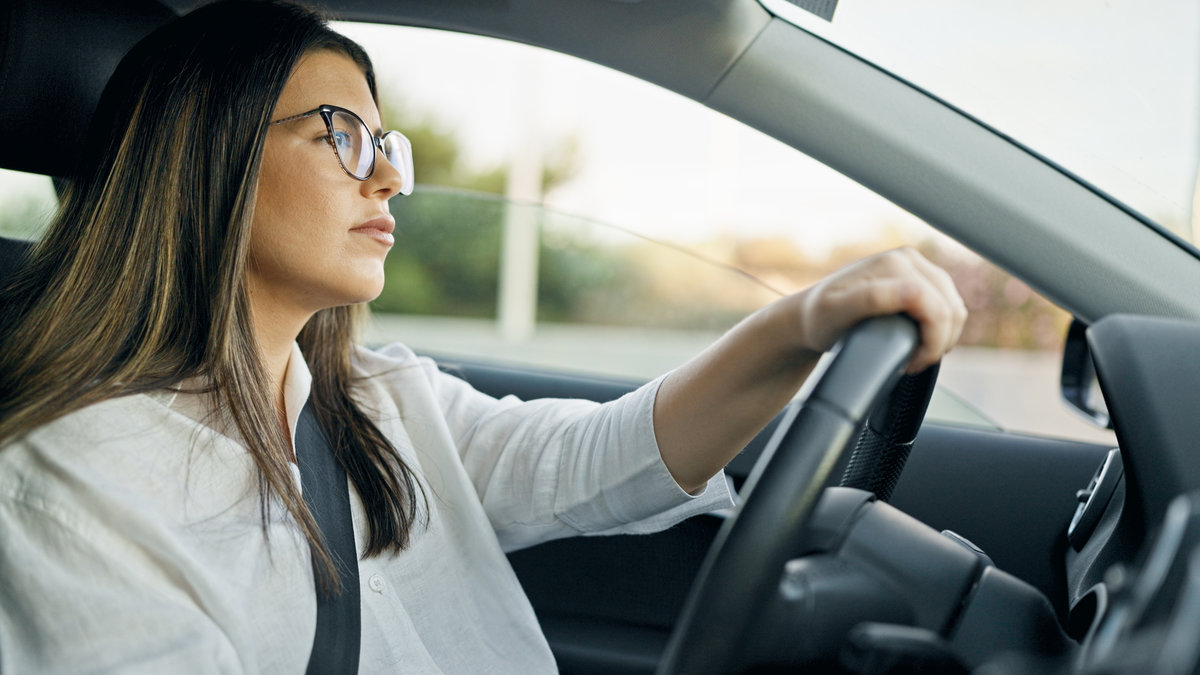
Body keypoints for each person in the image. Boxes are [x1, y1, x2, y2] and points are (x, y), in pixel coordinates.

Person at [0, 1, 967, 672]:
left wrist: (803, 323)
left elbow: (602, 457)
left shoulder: (378, 401)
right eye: (343, 134)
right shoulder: (75, 484)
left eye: (389, 146)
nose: (387, 179)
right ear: (210, 151)